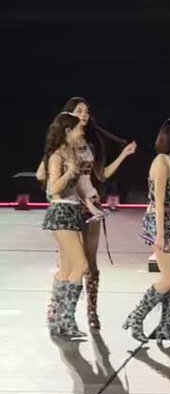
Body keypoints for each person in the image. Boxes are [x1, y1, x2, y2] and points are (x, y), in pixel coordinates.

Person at [38, 97, 137, 329]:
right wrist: (58, 179)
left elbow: (101, 175)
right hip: (66, 204)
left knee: (88, 263)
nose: (84, 114)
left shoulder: (91, 144)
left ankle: (91, 311)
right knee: (69, 263)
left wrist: (124, 155)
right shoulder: (62, 148)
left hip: (87, 202)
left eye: (86, 111)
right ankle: (58, 311)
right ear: (69, 117)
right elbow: (44, 176)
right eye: (79, 111)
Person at [123, 118, 170, 344]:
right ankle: (137, 316)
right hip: (158, 222)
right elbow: (159, 202)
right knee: (169, 279)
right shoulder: (161, 162)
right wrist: (160, 235)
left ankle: (166, 328)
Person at [41, 112, 90, 339]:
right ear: (68, 131)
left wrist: (90, 204)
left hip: (73, 211)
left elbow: (76, 188)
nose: (82, 132)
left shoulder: (72, 153)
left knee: (68, 269)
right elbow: (53, 189)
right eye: (78, 129)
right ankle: (67, 319)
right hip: (61, 212)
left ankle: (57, 319)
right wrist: (70, 170)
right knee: (81, 265)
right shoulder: (57, 156)